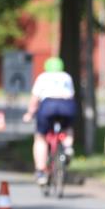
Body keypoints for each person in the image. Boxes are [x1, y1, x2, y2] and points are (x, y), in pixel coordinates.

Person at [22, 57, 76, 186]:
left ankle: (41, 172)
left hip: (48, 106)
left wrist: (29, 114)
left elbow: (35, 99)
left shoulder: (43, 77)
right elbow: (71, 94)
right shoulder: (67, 77)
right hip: (67, 105)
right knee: (67, 128)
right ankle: (68, 148)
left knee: (40, 137)